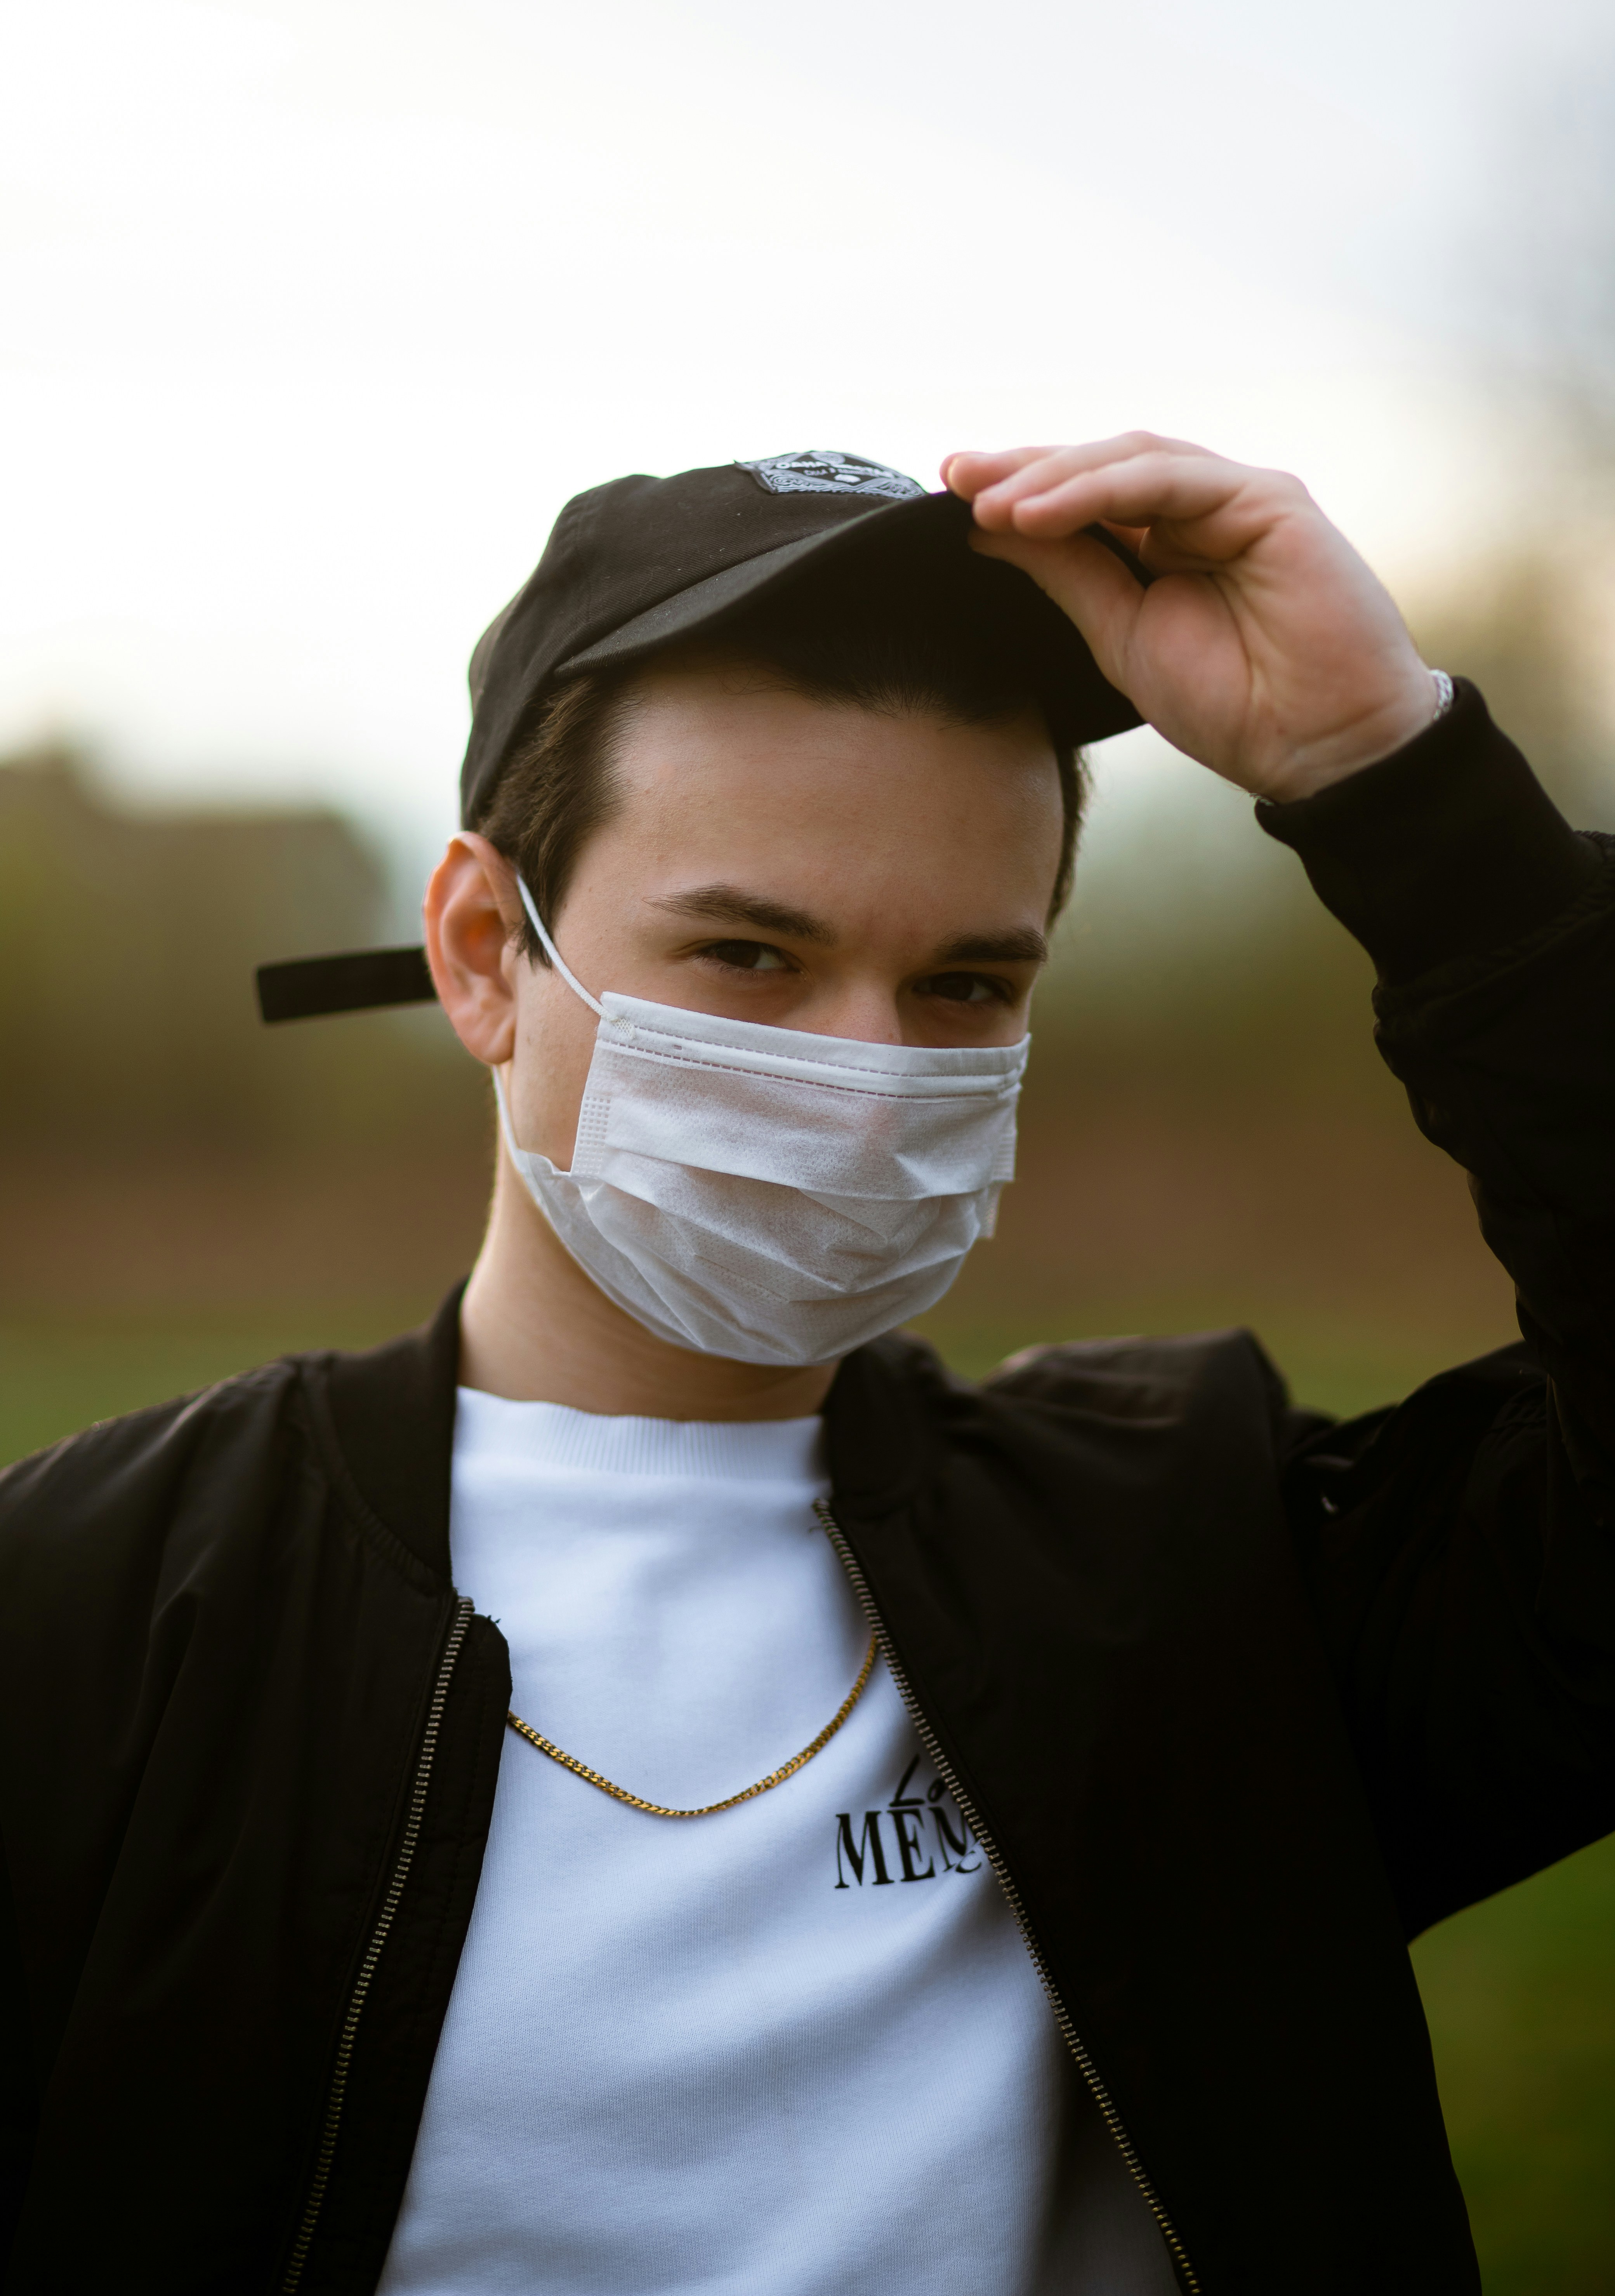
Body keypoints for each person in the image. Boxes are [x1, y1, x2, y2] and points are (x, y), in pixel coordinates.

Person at [1, 436, 1610, 2296]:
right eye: (751, 956)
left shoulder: (1200, 1576)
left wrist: (1400, 788)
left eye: (963, 989)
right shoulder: (97, 1612)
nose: (864, 1086)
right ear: (478, 954)